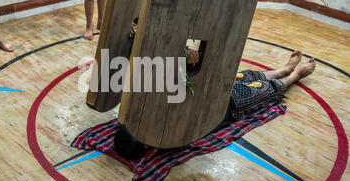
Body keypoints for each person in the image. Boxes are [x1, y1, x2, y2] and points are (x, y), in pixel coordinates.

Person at [114, 20, 317, 159]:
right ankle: (294, 75)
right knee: (260, 89)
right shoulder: (165, 136)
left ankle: (282, 69)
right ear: (147, 144)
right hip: (219, 107)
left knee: (241, 76)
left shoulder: (141, 111)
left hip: (204, 89)